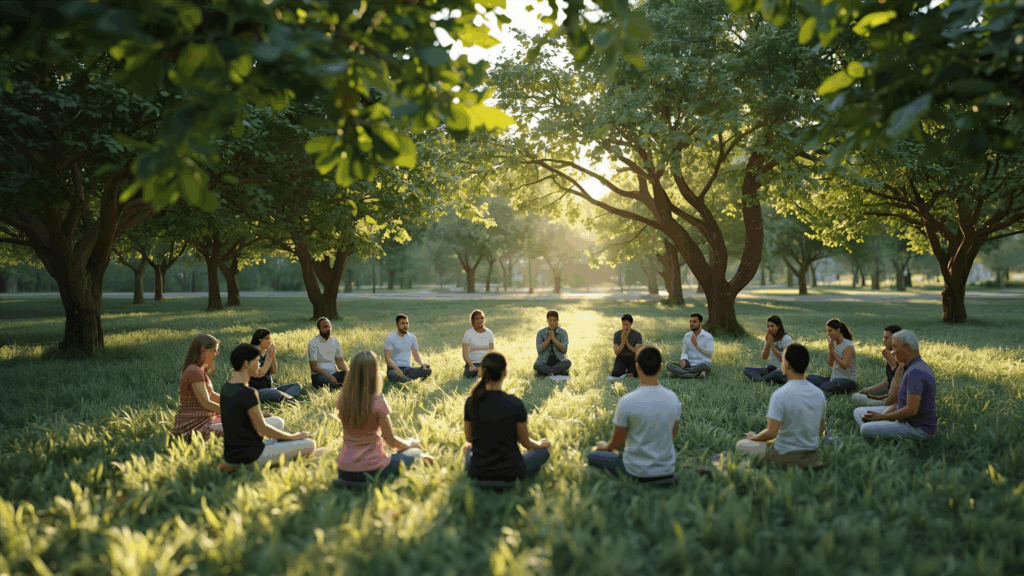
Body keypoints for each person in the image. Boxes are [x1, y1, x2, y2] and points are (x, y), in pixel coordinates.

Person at [335, 351, 433, 484]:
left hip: (344, 469)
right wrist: (410, 444)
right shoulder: (378, 402)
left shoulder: (342, 399)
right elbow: (391, 441)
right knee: (416, 452)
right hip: (373, 469)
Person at [587, 346, 681, 482]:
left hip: (635, 470)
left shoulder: (627, 401)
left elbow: (617, 443)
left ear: (637, 367)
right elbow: (672, 436)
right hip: (666, 469)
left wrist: (605, 447)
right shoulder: (673, 398)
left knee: (593, 455)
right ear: (660, 367)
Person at [220, 344, 320, 469]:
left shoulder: (226, 388)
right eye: (257, 361)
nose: (259, 365)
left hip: (232, 454)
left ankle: (281, 459)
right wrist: (292, 437)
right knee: (310, 444)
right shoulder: (249, 393)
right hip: (250, 457)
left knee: (283, 432)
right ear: (246, 364)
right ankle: (277, 464)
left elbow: (239, 419)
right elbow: (262, 428)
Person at [734, 343, 827, 468]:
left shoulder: (780, 394)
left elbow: (771, 432)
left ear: (786, 364)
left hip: (784, 455)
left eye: (782, 359)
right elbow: (821, 430)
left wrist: (754, 439)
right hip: (811, 456)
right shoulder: (819, 394)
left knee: (741, 444)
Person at [464, 351, 552, 482]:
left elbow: (469, 437)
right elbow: (526, 443)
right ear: (505, 373)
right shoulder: (516, 404)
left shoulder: (471, 401)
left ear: (481, 372)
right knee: (543, 453)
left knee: (467, 449)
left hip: (478, 472)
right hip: (512, 472)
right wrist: (540, 444)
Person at [854, 330, 938, 440]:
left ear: (907, 347)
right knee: (858, 412)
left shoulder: (915, 372)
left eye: (895, 347)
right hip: (903, 418)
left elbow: (911, 409)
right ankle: (878, 433)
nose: (892, 352)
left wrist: (882, 417)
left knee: (865, 429)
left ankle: (878, 437)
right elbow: (899, 401)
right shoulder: (911, 366)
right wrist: (883, 416)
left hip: (917, 428)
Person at [173, 334, 224, 441]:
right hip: (193, 425)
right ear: (203, 349)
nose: (217, 354)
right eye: (214, 350)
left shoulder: (198, 371)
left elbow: (212, 396)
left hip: (201, 421)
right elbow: (206, 403)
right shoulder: (194, 371)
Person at [851, 325, 902, 407]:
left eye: (886, 338)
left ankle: (880, 405)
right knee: (856, 396)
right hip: (889, 391)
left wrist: (892, 363)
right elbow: (889, 380)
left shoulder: (902, 357)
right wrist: (868, 389)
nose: (883, 341)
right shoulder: (891, 354)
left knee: (858, 399)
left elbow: (901, 383)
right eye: (883, 337)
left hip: (897, 396)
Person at [248, 328, 302, 403]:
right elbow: (260, 374)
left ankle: (282, 398)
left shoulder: (266, 352)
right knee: (275, 393)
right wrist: (269, 356)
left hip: (270, 388)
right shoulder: (252, 353)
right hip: (257, 390)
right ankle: (286, 399)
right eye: (267, 339)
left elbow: (274, 371)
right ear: (260, 340)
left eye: (269, 338)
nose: (269, 341)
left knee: (297, 386)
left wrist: (272, 355)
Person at [807, 318, 858, 394]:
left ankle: (821, 388)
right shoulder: (833, 343)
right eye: (827, 331)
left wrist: (833, 351)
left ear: (838, 330)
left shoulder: (848, 345)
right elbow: (831, 364)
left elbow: (844, 365)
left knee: (825, 387)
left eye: (830, 330)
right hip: (834, 378)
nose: (828, 333)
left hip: (848, 380)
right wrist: (831, 350)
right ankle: (824, 386)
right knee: (808, 378)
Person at [742, 315, 793, 384]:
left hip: (782, 371)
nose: (769, 328)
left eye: (772, 326)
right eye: (768, 326)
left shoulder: (785, 339)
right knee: (746, 370)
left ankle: (761, 379)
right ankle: (763, 379)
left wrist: (772, 345)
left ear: (778, 326)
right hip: (771, 368)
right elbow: (764, 357)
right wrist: (768, 343)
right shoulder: (769, 337)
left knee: (777, 373)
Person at [383, 314, 432, 383]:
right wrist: (398, 370)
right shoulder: (390, 338)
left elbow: (415, 354)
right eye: (402, 323)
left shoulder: (412, 337)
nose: (405, 325)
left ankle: (405, 379)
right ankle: (408, 380)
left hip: (408, 369)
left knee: (428, 370)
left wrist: (422, 364)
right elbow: (387, 359)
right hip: (393, 369)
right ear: (396, 325)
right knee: (393, 375)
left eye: (407, 323)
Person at [667, 313, 714, 379]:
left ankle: (679, 374)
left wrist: (696, 345)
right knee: (669, 365)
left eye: (694, 321)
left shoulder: (708, 336)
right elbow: (684, 352)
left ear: (701, 323)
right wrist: (683, 359)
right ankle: (696, 374)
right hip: (690, 365)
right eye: (690, 321)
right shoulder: (687, 336)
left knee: (704, 367)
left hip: (702, 364)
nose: (691, 323)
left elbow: (709, 354)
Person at [308, 317, 348, 389]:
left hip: (334, 374)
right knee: (328, 380)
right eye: (325, 327)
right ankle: (343, 386)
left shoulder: (335, 341)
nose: (328, 328)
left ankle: (340, 385)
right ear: (319, 328)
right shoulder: (313, 342)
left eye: (329, 326)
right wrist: (330, 376)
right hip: (319, 375)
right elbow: (313, 367)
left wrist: (349, 373)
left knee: (353, 375)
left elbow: (340, 363)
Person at [533, 310, 572, 376]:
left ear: (558, 321)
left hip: (559, 359)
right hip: (544, 360)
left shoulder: (563, 332)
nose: (552, 322)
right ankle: (557, 372)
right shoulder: (541, 332)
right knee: (536, 365)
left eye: (554, 320)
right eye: (550, 320)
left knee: (568, 362)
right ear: (547, 321)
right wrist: (549, 338)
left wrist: (553, 339)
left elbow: (564, 350)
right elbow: (539, 350)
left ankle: (547, 372)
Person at [462, 309, 495, 379]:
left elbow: (492, 352)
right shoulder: (468, 334)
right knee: (469, 375)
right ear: (473, 320)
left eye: (482, 318)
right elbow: (465, 355)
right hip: (472, 362)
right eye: (477, 318)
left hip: (485, 362)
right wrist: (471, 365)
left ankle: (482, 372)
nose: (480, 320)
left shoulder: (489, 333)